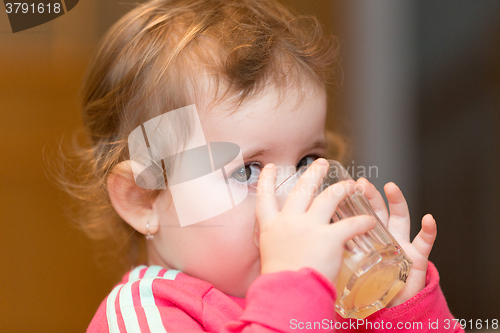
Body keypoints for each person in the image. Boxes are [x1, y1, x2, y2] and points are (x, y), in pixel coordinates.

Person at [58, 0, 464, 331]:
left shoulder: (332, 298)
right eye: (247, 171)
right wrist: (294, 291)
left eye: (307, 161)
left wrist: (406, 312)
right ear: (144, 198)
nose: (291, 200)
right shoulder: (142, 316)